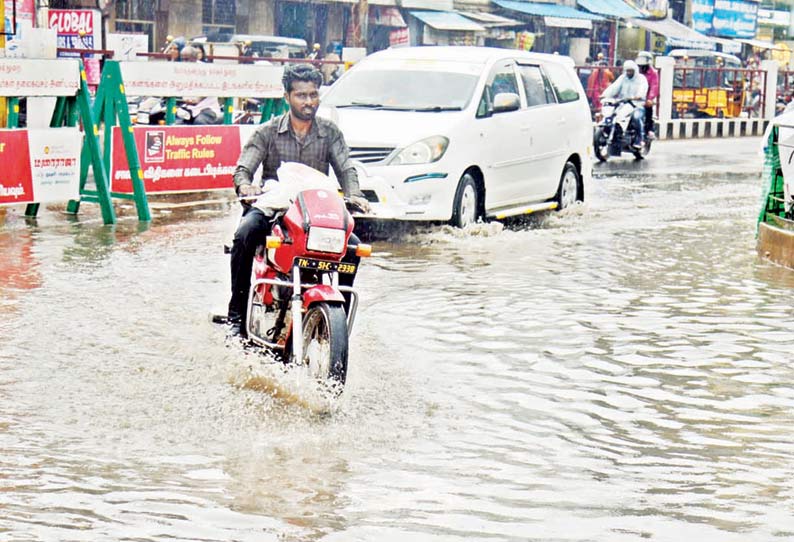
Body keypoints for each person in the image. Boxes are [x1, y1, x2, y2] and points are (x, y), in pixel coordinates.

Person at [227, 64, 371, 337]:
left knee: (353, 246)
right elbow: (243, 169)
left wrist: (355, 195)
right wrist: (245, 186)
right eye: (301, 95)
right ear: (287, 97)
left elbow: (346, 169)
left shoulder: (330, 132)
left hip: (317, 212)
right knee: (245, 233)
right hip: (278, 209)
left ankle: (336, 321)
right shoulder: (267, 132)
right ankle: (236, 316)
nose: (308, 102)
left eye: (313, 95)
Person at [601, 60, 648, 149]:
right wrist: (604, 95)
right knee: (612, 114)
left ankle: (639, 139)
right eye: (627, 71)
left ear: (635, 70)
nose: (629, 73)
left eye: (631, 71)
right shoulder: (623, 78)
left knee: (636, 117)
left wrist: (638, 96)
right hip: (623, 103)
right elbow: (614, 87)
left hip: (637, 104)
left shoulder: (641, 79)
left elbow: (643, 90)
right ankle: (615, 133)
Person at [176, 46, 221, 124]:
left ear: (194, 58)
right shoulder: (181, 70)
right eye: (182, 59)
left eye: (187, 59)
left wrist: (198, 99)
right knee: (175, 124)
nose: (184, 62)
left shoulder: (206, 70)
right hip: (189, 109)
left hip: (207, 108)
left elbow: (211, 88)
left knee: (199, 122)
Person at [636, 51, 658, 138]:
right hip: (633, 96)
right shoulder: (635, 71)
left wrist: (650, 98)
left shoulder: (653, 73)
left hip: (646, 98)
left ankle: (649, 129)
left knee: (648, 110)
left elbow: (654, 86)